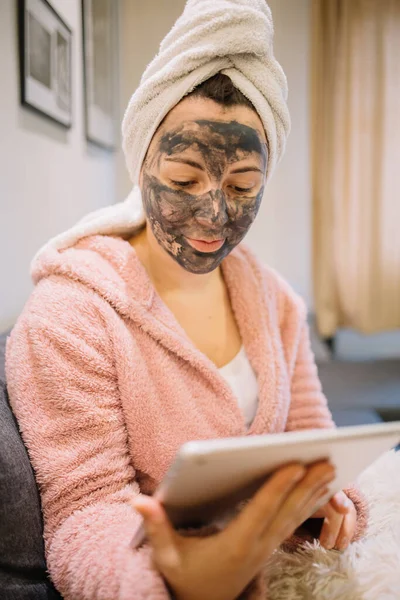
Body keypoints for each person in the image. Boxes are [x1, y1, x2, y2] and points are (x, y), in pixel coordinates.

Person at [6, 1, 367, 599]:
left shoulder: (273, 299)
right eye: (183, 180)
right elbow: (83, 513)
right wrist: (169, 580)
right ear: (141, 159)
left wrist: (336, 504)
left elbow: (314, 438)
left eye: (243, 186)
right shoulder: (69, 316)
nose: (214, 216)